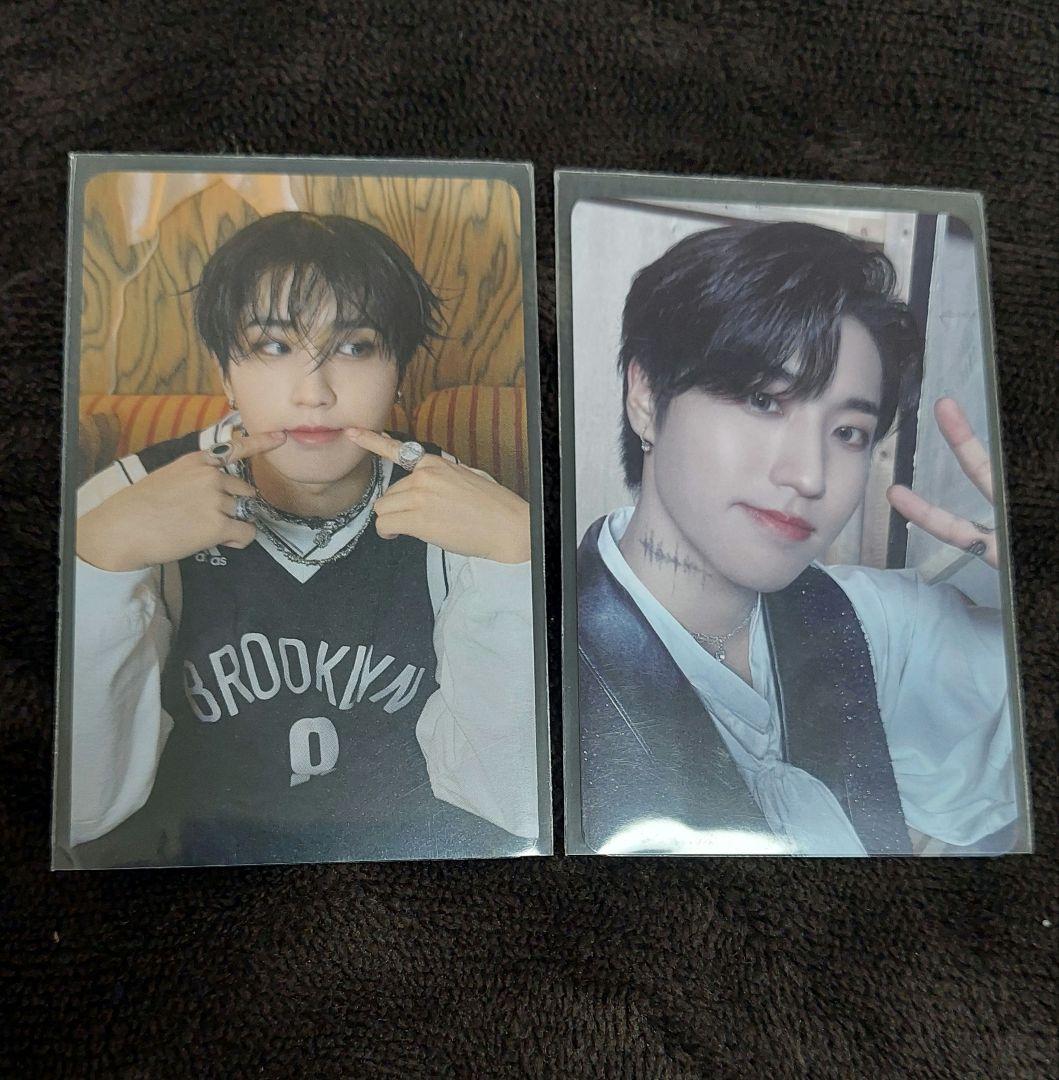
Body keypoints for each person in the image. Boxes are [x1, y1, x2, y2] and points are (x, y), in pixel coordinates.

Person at [68, 211, 540, 867]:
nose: (313, 393)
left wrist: (517, 560)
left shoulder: (469, 510)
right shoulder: (118, 505)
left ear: (399, 368)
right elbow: (82, 810)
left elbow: (514, 803)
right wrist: (99, 563)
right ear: (223, 371)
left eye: (355, 347)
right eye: (272, 346)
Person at [576, 221, 1020, 857]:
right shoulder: (529, 662)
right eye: (764, 401)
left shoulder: (870, 624)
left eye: (848, 433)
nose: (810, 475)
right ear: (646, 396)